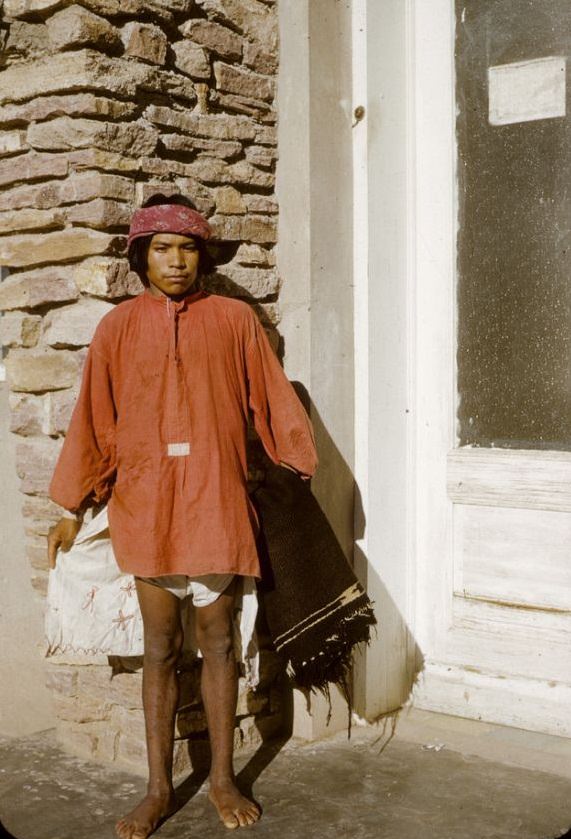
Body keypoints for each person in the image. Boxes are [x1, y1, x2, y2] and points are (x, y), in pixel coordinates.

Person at [47, 194, 318, 839]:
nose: (176, 261)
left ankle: (223, 778)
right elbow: (94, 423)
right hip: (146, 507)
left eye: (188, 247)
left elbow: (271, 401)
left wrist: (295, 467)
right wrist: (73, 507)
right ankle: (158, 788)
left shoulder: (234, 320)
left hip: (215, 503)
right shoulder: (117, 329)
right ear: (141, 256)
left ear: (203, 255)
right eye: (162, 248)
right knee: (160, 649)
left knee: (221, 642)